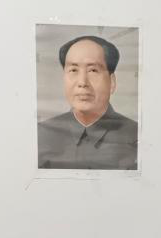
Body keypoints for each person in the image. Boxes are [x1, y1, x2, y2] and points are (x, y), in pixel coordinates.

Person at [37, 34, 138, 170]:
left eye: (93, 70)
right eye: (73, 70)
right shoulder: (41, 135)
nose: (82, 82)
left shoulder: (137, 137)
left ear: (112, 82)